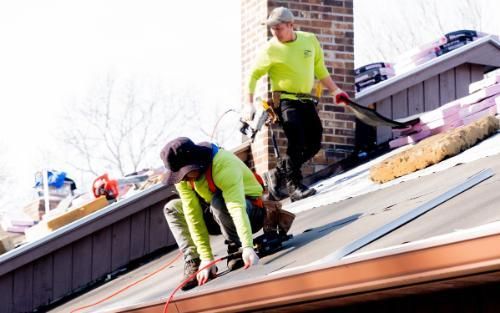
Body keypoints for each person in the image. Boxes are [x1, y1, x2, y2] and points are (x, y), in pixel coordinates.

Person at [243, 6, 350, 202]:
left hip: (305, 100)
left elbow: (320, 68)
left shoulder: (309, 40)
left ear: (291, 25)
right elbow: (253, 75)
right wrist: (248, 104)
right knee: (296, 140)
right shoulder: (270, 49)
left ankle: (278, 173)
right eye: (271, 28)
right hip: (284, 101)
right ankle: (294, 186)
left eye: (278, 27)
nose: (274, 32)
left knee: (314, 143)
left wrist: (336, 91)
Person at [160, 137, 265, 290]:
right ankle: (194, 261)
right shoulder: (183, 180)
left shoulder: (222, 163)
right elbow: (193, 217)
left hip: (251, 213)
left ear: (196, 161)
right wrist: (206, 257)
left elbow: (236, 207)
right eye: (181, 175)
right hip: (219, 217)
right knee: (172, 207)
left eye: (187, 173)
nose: (185, 178)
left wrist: (248, 246)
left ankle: (237, 247)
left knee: (218, 201)